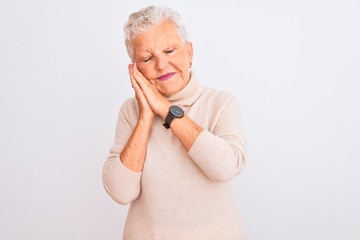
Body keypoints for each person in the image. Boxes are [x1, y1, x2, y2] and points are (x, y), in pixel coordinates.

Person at [102, 5, 247, 239]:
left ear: (189, 52)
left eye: (169, 51)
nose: (161, 65)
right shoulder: (130, 112)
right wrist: (145, 117)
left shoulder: (222, 103)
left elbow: (226, 167)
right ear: (136, 69)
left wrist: (166, 109)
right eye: (147, 58)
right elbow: (121, 192)